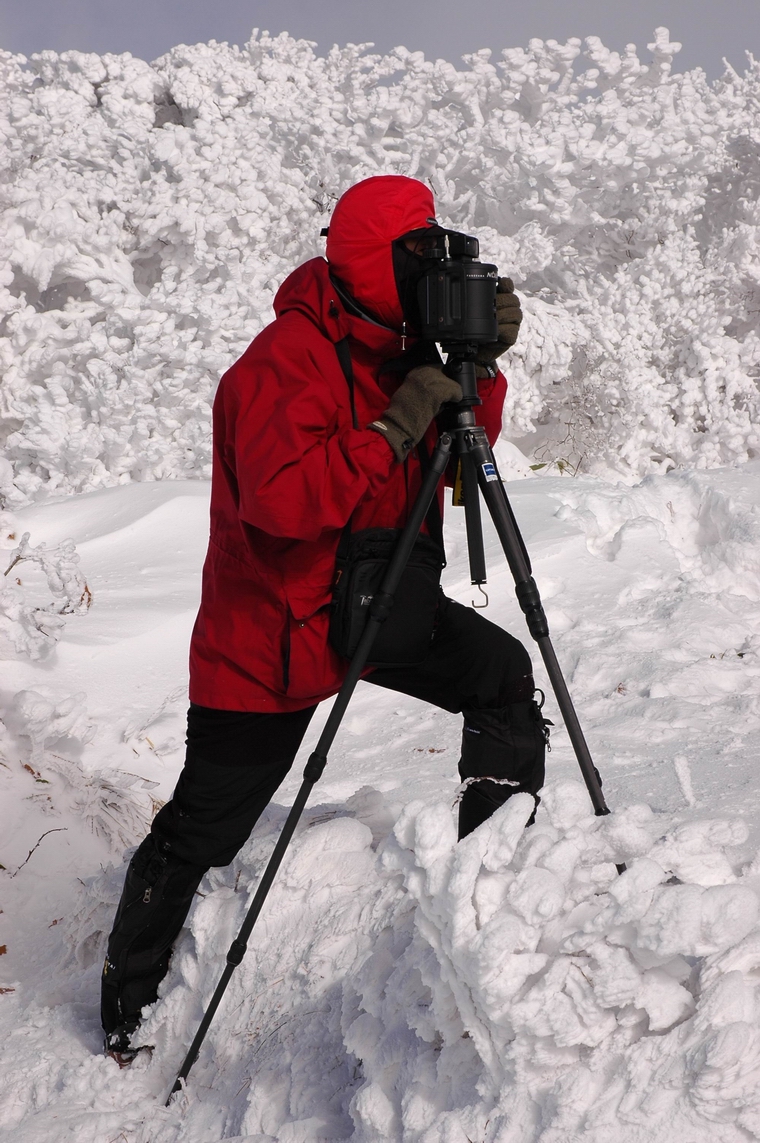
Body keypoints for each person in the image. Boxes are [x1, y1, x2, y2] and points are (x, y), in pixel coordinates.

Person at [100, 175, 548, 1064]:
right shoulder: (282, 362)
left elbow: (462, 464)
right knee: (203, 831)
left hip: (379, 604)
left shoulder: (405, 353)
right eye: (419, 255)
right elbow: (280, 504)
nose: (432, 272)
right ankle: (127, 1005)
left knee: (501, 678)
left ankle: (484, 890)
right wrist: (394, 423)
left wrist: (476, 371)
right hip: (274, 637)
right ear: (376, 265)